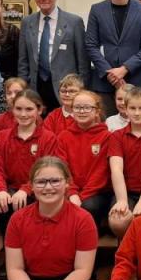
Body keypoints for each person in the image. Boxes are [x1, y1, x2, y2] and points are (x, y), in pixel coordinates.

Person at [0, 89, 57, 280]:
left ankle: (33, 258)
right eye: (18, 109)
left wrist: (25, 189)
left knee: (30, 206)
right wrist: (0, 191)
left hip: (39, 188)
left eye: (29, 109)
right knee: (4, 205)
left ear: (39, 111)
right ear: (12, 110)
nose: (23, 114)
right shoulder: (2, 137)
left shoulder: (48, 138)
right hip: (10, 188)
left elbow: (46, 170)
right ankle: (9, 257)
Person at [85, 0, 141, 116]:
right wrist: (110, 73)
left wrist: (124, 69)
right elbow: (91, 45)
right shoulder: (97, 10)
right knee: (107, 127)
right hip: (105, 82)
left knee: (137, 125)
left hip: (136, 80)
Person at [18, 0, 90, 113]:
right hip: (36, 87)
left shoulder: (74, 22)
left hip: (66, 89)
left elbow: (83, 61)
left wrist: (82, 89)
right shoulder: (27, 22)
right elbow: (23, 60)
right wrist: (24, 87)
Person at [53, 91, 113, 228]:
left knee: (89, 206)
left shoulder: (107, 137)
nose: (82, 111)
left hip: (97, 193)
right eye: (78, 107)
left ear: (97, 111)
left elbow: (101, 172)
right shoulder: (63, 137)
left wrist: (82, 196)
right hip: (69, 190)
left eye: (87, 107)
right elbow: (62, 168)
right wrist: (72, 193)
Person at [107, 87, 141, 238]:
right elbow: (116, 169)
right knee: (118, 221)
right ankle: (124, 257)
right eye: (132, 108)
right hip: (125, 191)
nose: (136, 113)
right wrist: (122, 200)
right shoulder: (117, 136)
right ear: (126, 110)